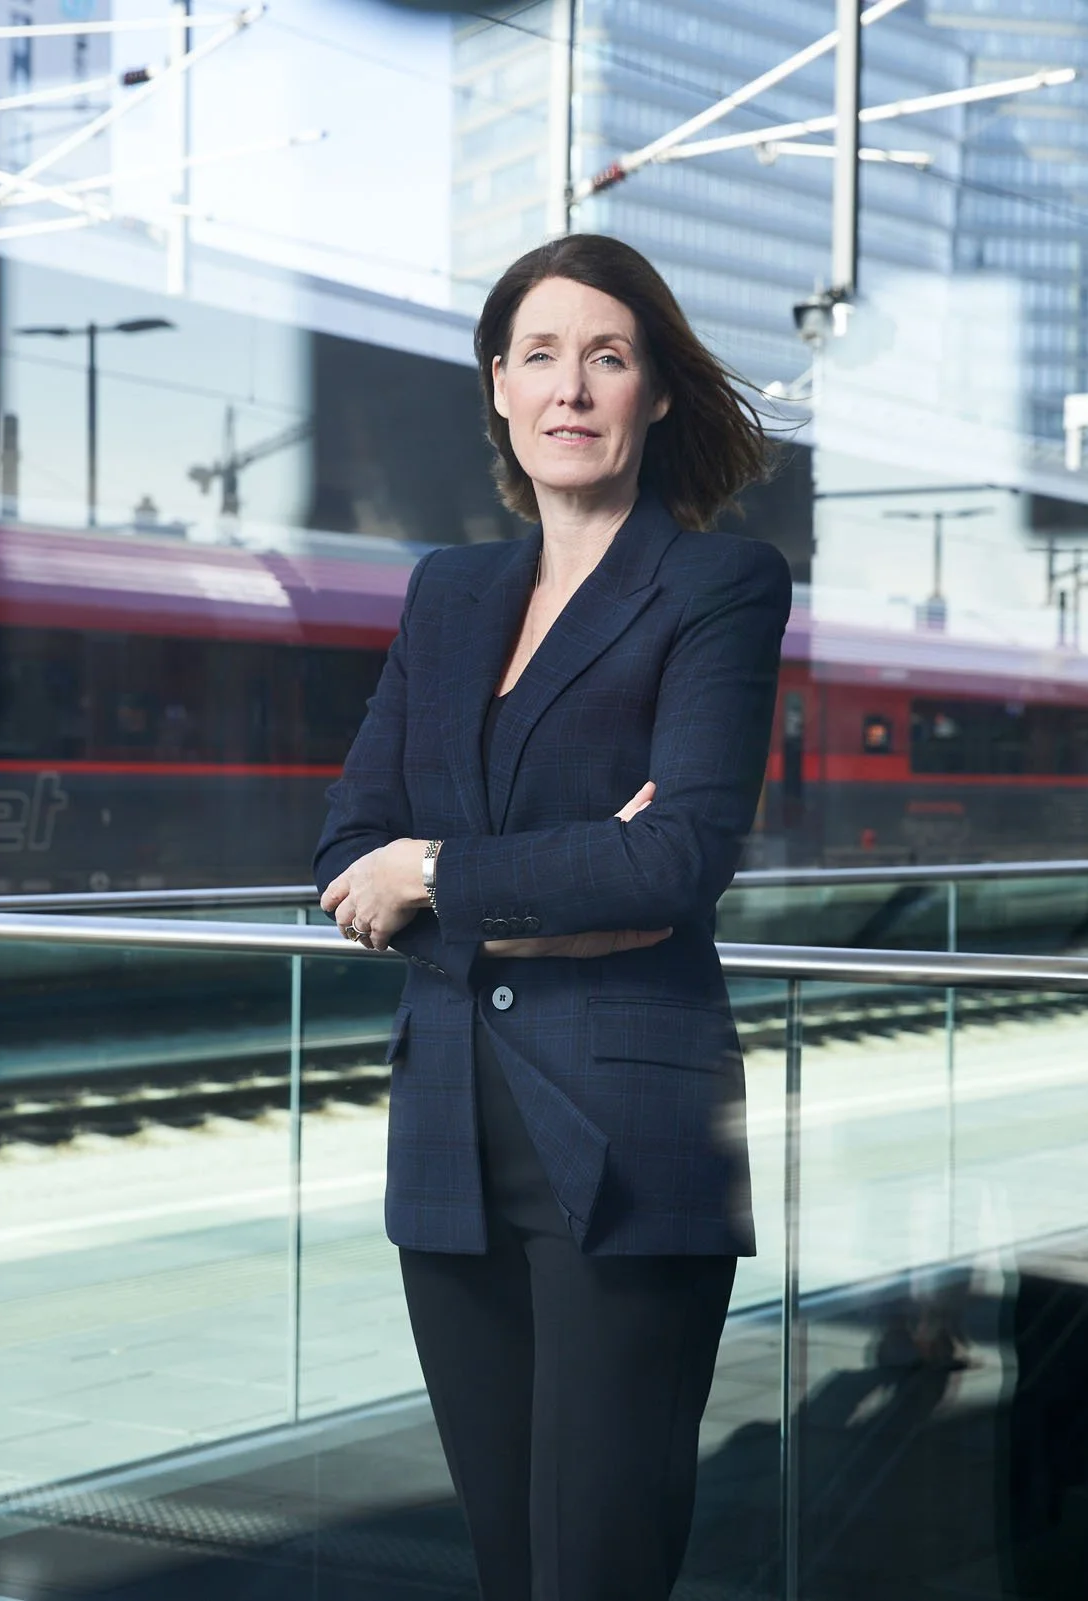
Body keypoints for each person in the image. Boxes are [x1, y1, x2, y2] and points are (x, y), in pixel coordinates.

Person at [314, 232, 790, 1601]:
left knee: (600, 1567)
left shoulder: (717, 584)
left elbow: (675, 864)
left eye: (609, 356)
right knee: (506, 1560)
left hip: (630, 1149)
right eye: (539, 356)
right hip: (449, 1147)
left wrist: (445, 876)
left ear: (653, 397)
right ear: (500, 393)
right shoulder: (447, 593)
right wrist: (558, 885)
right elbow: (349, 852)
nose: (571, 386)